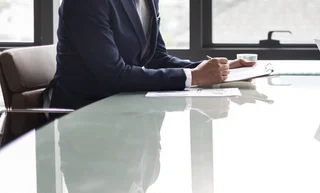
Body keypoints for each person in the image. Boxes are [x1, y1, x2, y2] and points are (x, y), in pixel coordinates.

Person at [43, 0, 255, 113]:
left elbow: (156, 57)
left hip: (129, 113)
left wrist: (222, 70)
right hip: (86, 118)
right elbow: (113, 76)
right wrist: (195, 77)